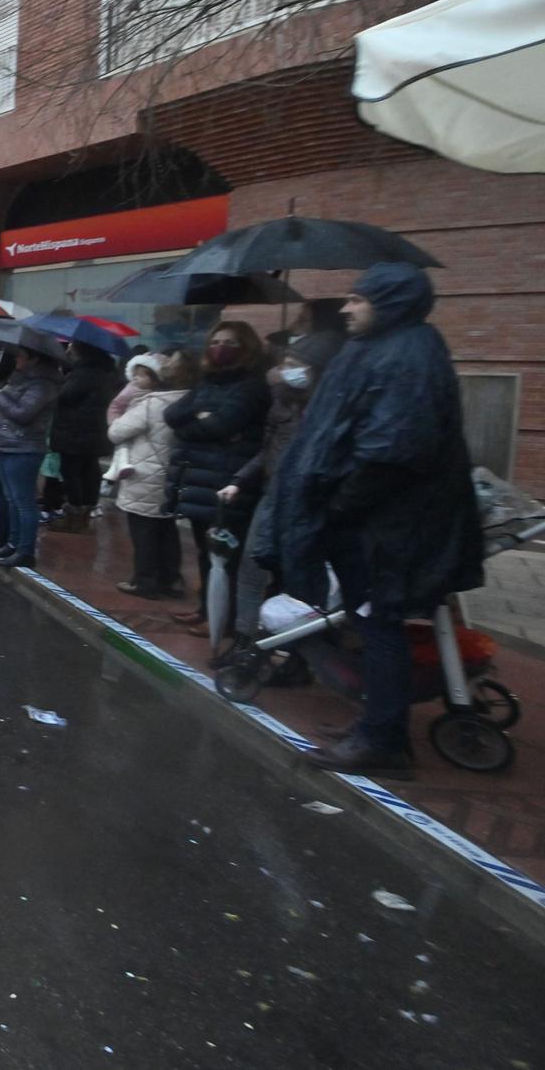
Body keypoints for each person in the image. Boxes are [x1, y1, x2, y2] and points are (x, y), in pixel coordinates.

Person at [264, 264, 484, 777]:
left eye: (358, 300)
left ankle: (383, 740)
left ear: (392, 305)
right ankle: (377, 725)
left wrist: (338, 507)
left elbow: (390, 451)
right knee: (370, 621)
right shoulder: (379, 348)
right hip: (371, 521)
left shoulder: (410, 355)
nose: (346, 309)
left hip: (386, 526)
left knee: (380, 624)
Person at [220, 331, 345, 641]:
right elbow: (268, 448)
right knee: (251, 568)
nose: (285, 370)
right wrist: (240, 479)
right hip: (272, 495)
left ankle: (294, 651)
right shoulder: (281, 401)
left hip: (308, 502)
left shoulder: (332, 410)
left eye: (294, 364)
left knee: (299, 581)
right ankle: (244, 641)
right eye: (285, 363)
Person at [163, 321, 272, 632]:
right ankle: (205, 608)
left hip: (227, 480)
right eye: (216, 341)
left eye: (230, 342)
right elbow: (171, 416)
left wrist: (198, 423)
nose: (220, 348)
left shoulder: (251, 386)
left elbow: (222, 424)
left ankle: (223, 619)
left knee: (227, 555)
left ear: (246, 347)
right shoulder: (207, 383)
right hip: (198, 479)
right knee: (205, 550)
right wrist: (199, 422)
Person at [108, 349, 196, 598]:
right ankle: (170, 579)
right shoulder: (192, 399)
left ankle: (145, 581)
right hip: (173, 475)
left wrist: (116, 418)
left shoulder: (153, 403)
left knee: (144, 531)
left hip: (145, 476)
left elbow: (117, 432)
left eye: (171, 361)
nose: (165, 362)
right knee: (167, 530)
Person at [0, 347, 62, 568]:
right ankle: (13, 543)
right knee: (11, 499)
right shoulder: (19, 379)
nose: (17, 360)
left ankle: (25, 550)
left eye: (21, 356)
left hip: (24, 447)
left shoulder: (43, 384)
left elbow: (23, 413)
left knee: (23, 501)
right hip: (5, 445)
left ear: (34, 358)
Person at [50, 342, 124, 536]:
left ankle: (74, 517)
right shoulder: (108, 372)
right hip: (95, 432)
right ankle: (85, 513)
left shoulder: (84, 373)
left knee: (72, 474)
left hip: (75, 432)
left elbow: (65, 396)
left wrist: (65, 374)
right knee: (90, 471)